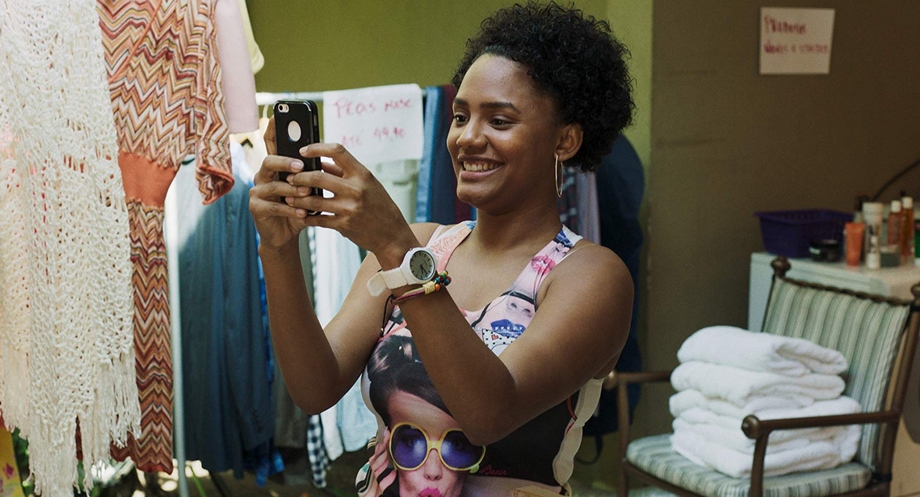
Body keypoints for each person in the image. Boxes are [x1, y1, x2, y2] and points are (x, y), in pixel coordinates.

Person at [249, 1, 635, 494]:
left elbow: (488, 413)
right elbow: (314, 388)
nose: (467, 138)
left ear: (565, 140)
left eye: (499, 121)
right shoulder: (425, 244)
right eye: (460, 116)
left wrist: (396, 247)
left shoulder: (589, 276)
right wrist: (278, 250)